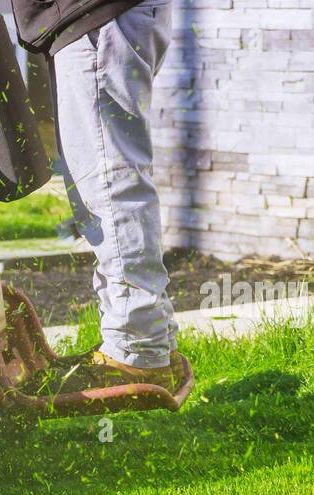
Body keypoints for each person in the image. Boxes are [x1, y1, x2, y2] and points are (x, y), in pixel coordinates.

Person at [13, 0, 186, 393]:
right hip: (95, 18)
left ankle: (137, 350)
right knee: (105, 183)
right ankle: (148, 341)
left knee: (109, 183)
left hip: (96, 19)